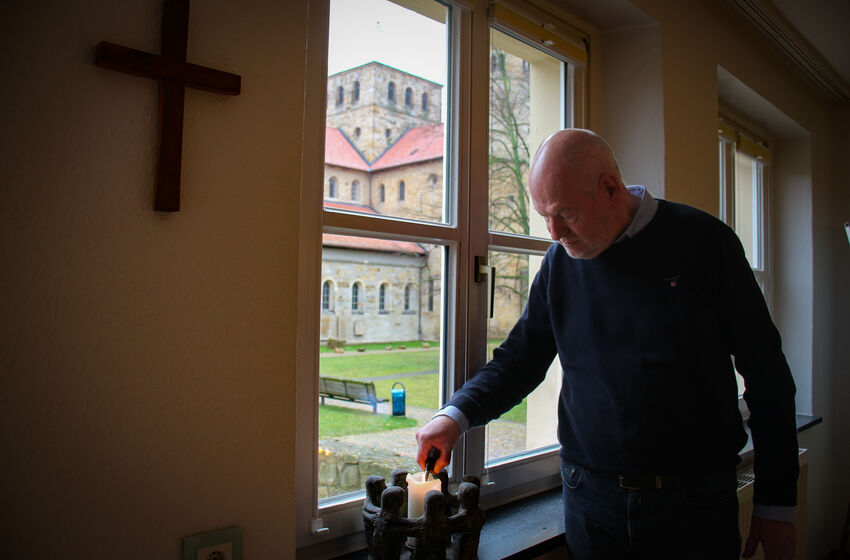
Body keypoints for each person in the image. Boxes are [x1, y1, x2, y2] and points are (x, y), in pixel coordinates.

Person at [415, 129, 799, 559]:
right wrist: (455, 416)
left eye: (566, 213)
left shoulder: (705, 242)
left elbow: (768, 375)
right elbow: (520, 359)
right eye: (544, 215)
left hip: (694, 504)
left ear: (611, 189)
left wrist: (777, 503)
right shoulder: (560, 263)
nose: (554, 232)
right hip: (589, 501)